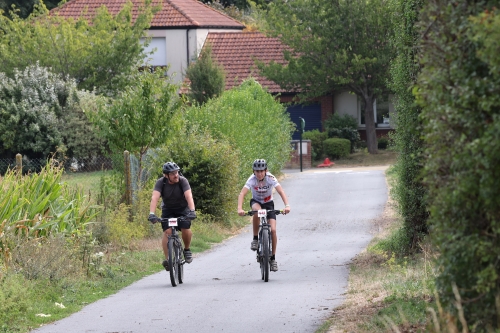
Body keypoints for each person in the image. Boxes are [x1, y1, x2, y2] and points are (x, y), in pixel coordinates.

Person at [237, 159, 291, 272]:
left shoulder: (270, 178)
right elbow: (242, 193)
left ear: (266, 171)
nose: (259, 173)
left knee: (274, 231)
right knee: (257, 211)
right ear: (254, 172)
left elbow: (281, 191)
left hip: (269, 204)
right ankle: (255, 239)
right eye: (257, 171)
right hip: (256, 202)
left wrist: (287, 205)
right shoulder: (251, 179)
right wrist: (240, 208)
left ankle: (273, 258)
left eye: (261, 171)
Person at [148, 162, 196, 271]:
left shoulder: (183, 181)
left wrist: (192, 211)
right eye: (173, 173)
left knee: (185, 228)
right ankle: (168, 259)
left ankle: (187, 249)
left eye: (177, 172)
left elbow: (189, 196)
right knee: (168, 232)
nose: (176, 175)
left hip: (183, 209)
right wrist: (152, 214)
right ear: (166, 175)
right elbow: (154, 198)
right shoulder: (161, 183)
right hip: (168, 210)